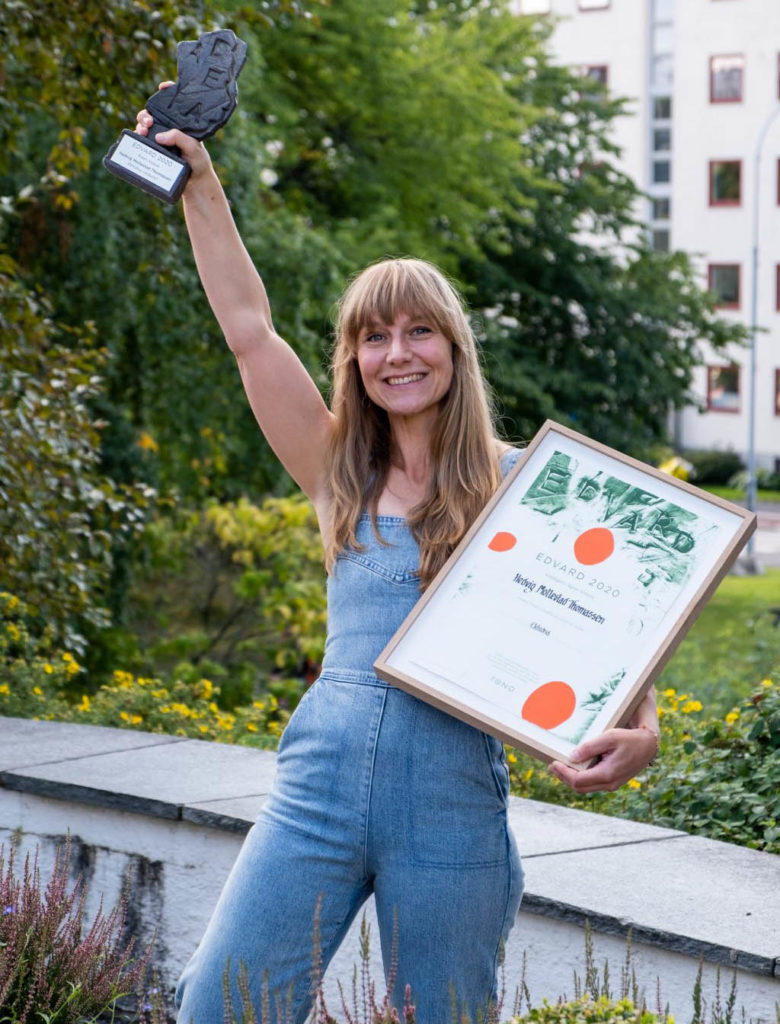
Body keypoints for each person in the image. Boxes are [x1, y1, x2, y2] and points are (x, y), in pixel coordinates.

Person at [135, 93, 660, 1024]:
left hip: (453, 813)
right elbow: (249, 329)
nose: (396, 353)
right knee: (222, 1007)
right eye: (372, 336)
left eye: (418, 331)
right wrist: (201, 183)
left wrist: (642, 729)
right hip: (317, 796)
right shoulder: (336, 468)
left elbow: (622, 609)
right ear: (352, 358)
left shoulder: (528, 487)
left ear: (454, 349)